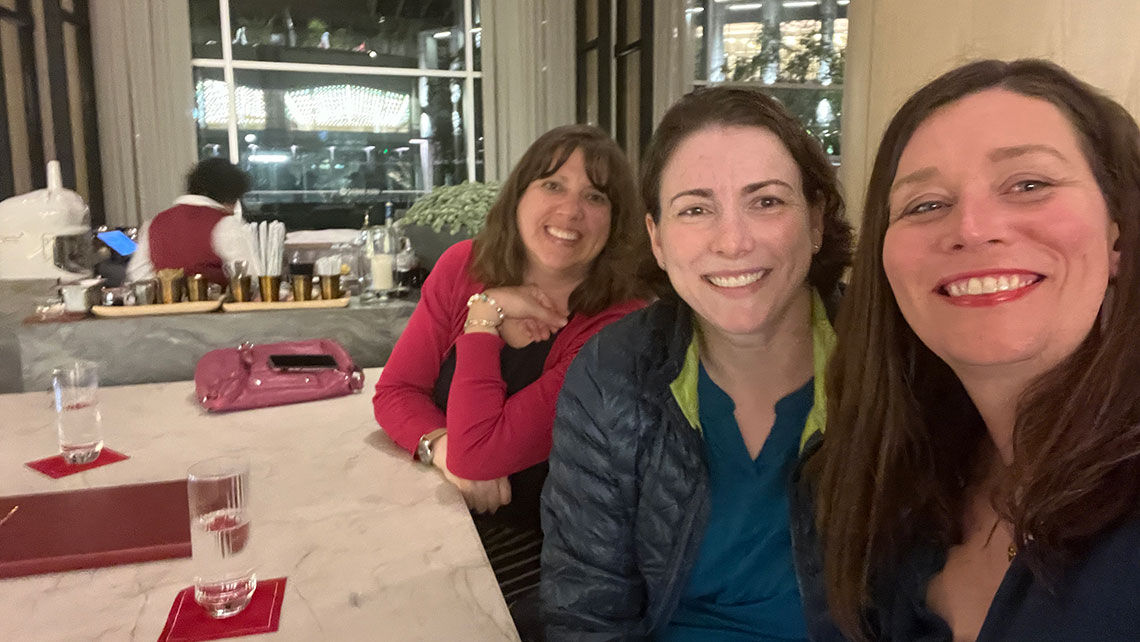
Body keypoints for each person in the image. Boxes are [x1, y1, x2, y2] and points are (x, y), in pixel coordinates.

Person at [796, 59, 1140, 641]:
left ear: (1118, 235)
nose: (974, 228)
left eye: (1029, 185)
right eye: (925, 204)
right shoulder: (859, 480)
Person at [541, 86, 853, 639]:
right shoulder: (611, 374)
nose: (732, 241)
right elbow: (586, 613)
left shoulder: (894, 359)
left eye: (767, 201)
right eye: (695, 209)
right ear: (657, 239)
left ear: (817, 220)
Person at [372, 125, 648, 628]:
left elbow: (484, 455)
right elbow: (396, 392)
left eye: (595, 196)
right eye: (552, 185)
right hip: (451, 514)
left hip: (555, 555)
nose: (570, 211)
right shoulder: (463, 266)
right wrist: (441, 448)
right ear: (519, 194)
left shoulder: (617, 323)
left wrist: (485, 317)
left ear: (616, 221)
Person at [127, 158, 255, 285]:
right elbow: (251, 278)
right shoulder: (227, 224)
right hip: (217, 304)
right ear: (231, 197)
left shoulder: (154, 223)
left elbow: (138, 275)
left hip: (168, 303)